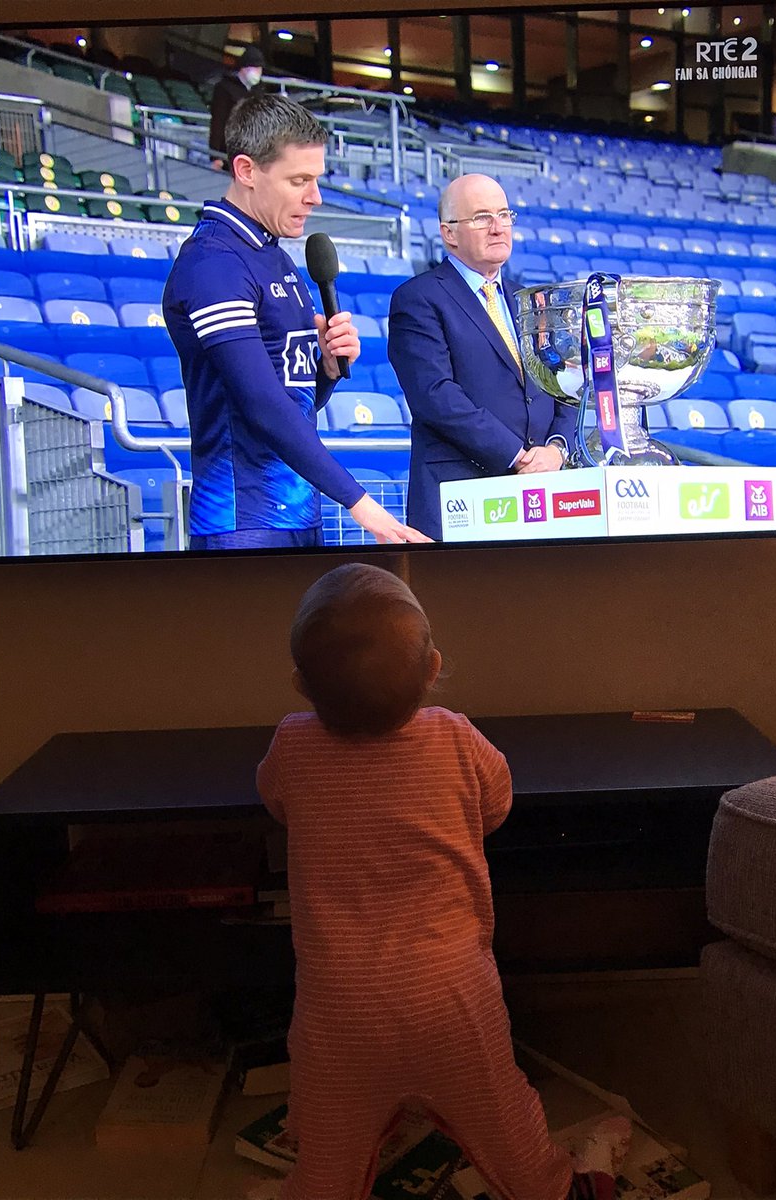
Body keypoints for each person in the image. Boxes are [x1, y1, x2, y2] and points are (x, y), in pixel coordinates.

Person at [255, 562, 631, 1200]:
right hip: (452, 999)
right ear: (432, 668)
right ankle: (550, 1189)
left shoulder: (292, 747)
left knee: (328, 1149)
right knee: (503, 1117)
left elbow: (276, 803)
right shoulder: (456, 738)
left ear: (299, 684)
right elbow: (495, 807)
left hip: (340, 1010)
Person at [163, 94, 429, 549]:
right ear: (246, 171)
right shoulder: (213, 263)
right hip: (240, 521)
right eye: (299, 180)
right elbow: (261, 404)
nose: (315, 196)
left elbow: (296, 401)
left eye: (316, 179)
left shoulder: (275, 257)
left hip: (299, 511)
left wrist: (325, 370)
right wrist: (362, 505)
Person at [387, 173, 576, 540]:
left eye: (504, 215)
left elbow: (564, 385)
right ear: (449, 233)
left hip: (543, 496)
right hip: (460, 499)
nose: (497, 227)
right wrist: (519, 456)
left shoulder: (530, 301)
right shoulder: (418, 298)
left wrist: (556, 449)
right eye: (481, 217)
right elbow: (435, 396)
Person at [208, 46, 266, 170]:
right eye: (254, 68)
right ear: (243, 69)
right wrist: (215, 155)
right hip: (230, 152)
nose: (257, 72)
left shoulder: (258, 90)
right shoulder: (224, 89)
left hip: (252, 153)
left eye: (259, 68)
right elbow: (218, 122)